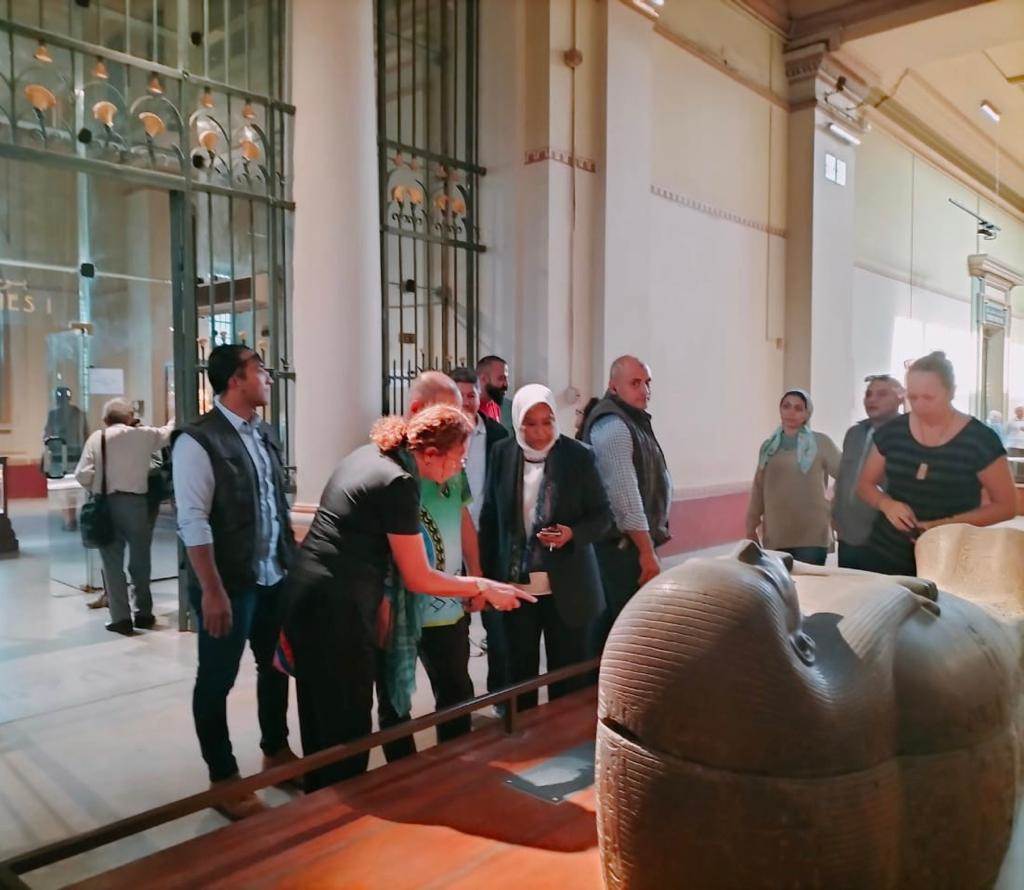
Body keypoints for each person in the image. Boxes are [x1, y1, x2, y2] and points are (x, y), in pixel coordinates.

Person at [279, 405, 531, 791]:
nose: (459, 469)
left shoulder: (371, 454)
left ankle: (321, 803)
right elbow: (418, 577)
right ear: (430, 454)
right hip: (335, 610)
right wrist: (483, 586)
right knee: (346, 731)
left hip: (308, 596)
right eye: (458, 459)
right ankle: (336, 812)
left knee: (320, 724)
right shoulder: (398, 482)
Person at [172, 344, 297, 821]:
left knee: (276, 666)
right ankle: (223, 779)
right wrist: (212, 589)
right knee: (217, 678)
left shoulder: (264, 433)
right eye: (259, 370)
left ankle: (276, 751)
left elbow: (274, 504)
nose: (268, 377)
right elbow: (193, 520)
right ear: (234, 380)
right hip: (229, 584)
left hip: (272, 575)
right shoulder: (198, 441)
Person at [480, 385, 611, 710]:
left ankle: (561, 740)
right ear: (517, 423)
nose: (540, 432)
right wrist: (485, 579)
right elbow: (491, 518)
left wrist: (572, 533)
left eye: (547, 422)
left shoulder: (578, 456)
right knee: (519, 676)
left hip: (568, 587)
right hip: (517, 587)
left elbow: (603, 516)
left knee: (567, 680)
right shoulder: (502, 454)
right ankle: (524, 737)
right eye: (530, 423)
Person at [376, 372, 484, 756]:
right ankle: (402, 776)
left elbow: (463, 518)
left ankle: (454, 767)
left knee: (456, 692)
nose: (456, 422)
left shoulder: (454, 458)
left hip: (448, 605)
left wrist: (476, 574)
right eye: (447, 411)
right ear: (418, 409)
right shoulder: (390, 466)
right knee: (395, 700)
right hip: (400, 606)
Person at [856, 351, 1016, 577]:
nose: (919, 405)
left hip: (951, 557)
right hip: (887, 553)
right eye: (913, 397)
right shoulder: (892, 432)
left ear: (951, 392)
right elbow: (864, 485)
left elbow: (1006, 506)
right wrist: (886, 504)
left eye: (928, 398)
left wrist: (942, 525)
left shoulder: (980, 440)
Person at [582, 356, 672, 653]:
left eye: (647, 383)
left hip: (629, 546)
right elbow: (624, 497)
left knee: (618, 631)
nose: (644, 390)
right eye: (635, 383)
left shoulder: (631, 420)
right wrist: (646, 551)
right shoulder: (614, 426)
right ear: (614, 387)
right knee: (622, 635)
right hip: (619, 550)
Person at [74, 398, 174, 634]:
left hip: (106, 505)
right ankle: (144, 613)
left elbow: (82, 474)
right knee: (141, 561)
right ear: (130, 418)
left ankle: (120, 618)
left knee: (112, 564)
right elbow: (168, 432)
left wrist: (97, 485)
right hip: (137, 505)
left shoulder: (97, 438)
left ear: (105, 419)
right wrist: (175, 414)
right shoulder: (143, 435)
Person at [449, 366, 510, 698]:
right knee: (454, 626)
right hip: (449, 543)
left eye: (470, 395)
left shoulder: (498, 435)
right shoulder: (441, 438)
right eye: (459, 396)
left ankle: (500, 693)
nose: (466, 402)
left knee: (497, 626)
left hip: (488, 540)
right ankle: (460, 698)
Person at [746, 389, 841, 566]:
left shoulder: (820, 443)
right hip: (777, 533)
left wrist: (833, 508)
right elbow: (759, 488)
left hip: (812, 534)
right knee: (781, 582)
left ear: (807, 413)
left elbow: (846, 474)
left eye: (798, 408)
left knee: (809, 582)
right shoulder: (769, 447)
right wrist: (750, 527)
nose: (791, 412)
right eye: (786, 406)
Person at [832, 375, 904, 570]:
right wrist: (835, 514)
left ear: (900, 398)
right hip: (848, 535)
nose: (872, 400)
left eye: (881, 394)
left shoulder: (906, 434)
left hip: (885, 538)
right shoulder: (854, 434)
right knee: (849, 586)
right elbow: (844, 477)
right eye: (869, 394)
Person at [45, 386, 89, 470]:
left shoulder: (53, 414)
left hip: (66, 455)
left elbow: (48, 435)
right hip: (66, 455)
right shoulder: (79, 414)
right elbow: (86, 434)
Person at [476, 355, 513, 431]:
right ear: (484, 379)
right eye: (501, 378)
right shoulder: (471, 408)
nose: (506, 384)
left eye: (506, 379)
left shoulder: (495, 405)